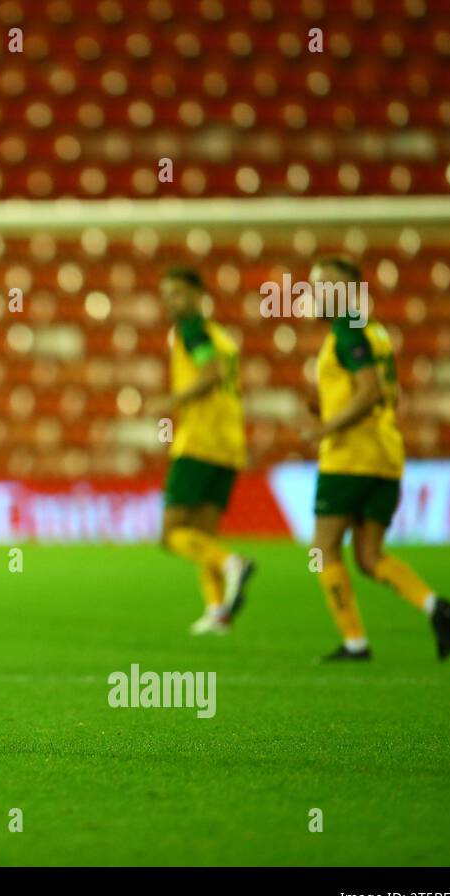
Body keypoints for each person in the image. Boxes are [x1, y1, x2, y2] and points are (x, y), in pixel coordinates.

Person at [300, 255, 450, 661]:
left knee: (323, 548)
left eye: (327, 285)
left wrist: (326, 428)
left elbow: (368, 392)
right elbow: (390, 396)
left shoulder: (347, 330)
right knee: (370, 557)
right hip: (386, 455)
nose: (318, 293)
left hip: (350, 458)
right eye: (315, 285)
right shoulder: (376, 333)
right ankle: (433, 604)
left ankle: (355, 642)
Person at [145, 266, 255, 635]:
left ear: (197, 294)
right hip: (230, 443)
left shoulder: (190, 331)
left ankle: (232, 563)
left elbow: (210, 375)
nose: (170, 302)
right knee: (202, 535)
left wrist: (170, 400)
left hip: (199, 441)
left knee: (171, 534)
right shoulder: (222, 337)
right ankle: (217, 611)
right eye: (166, 295)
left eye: (177, 293)